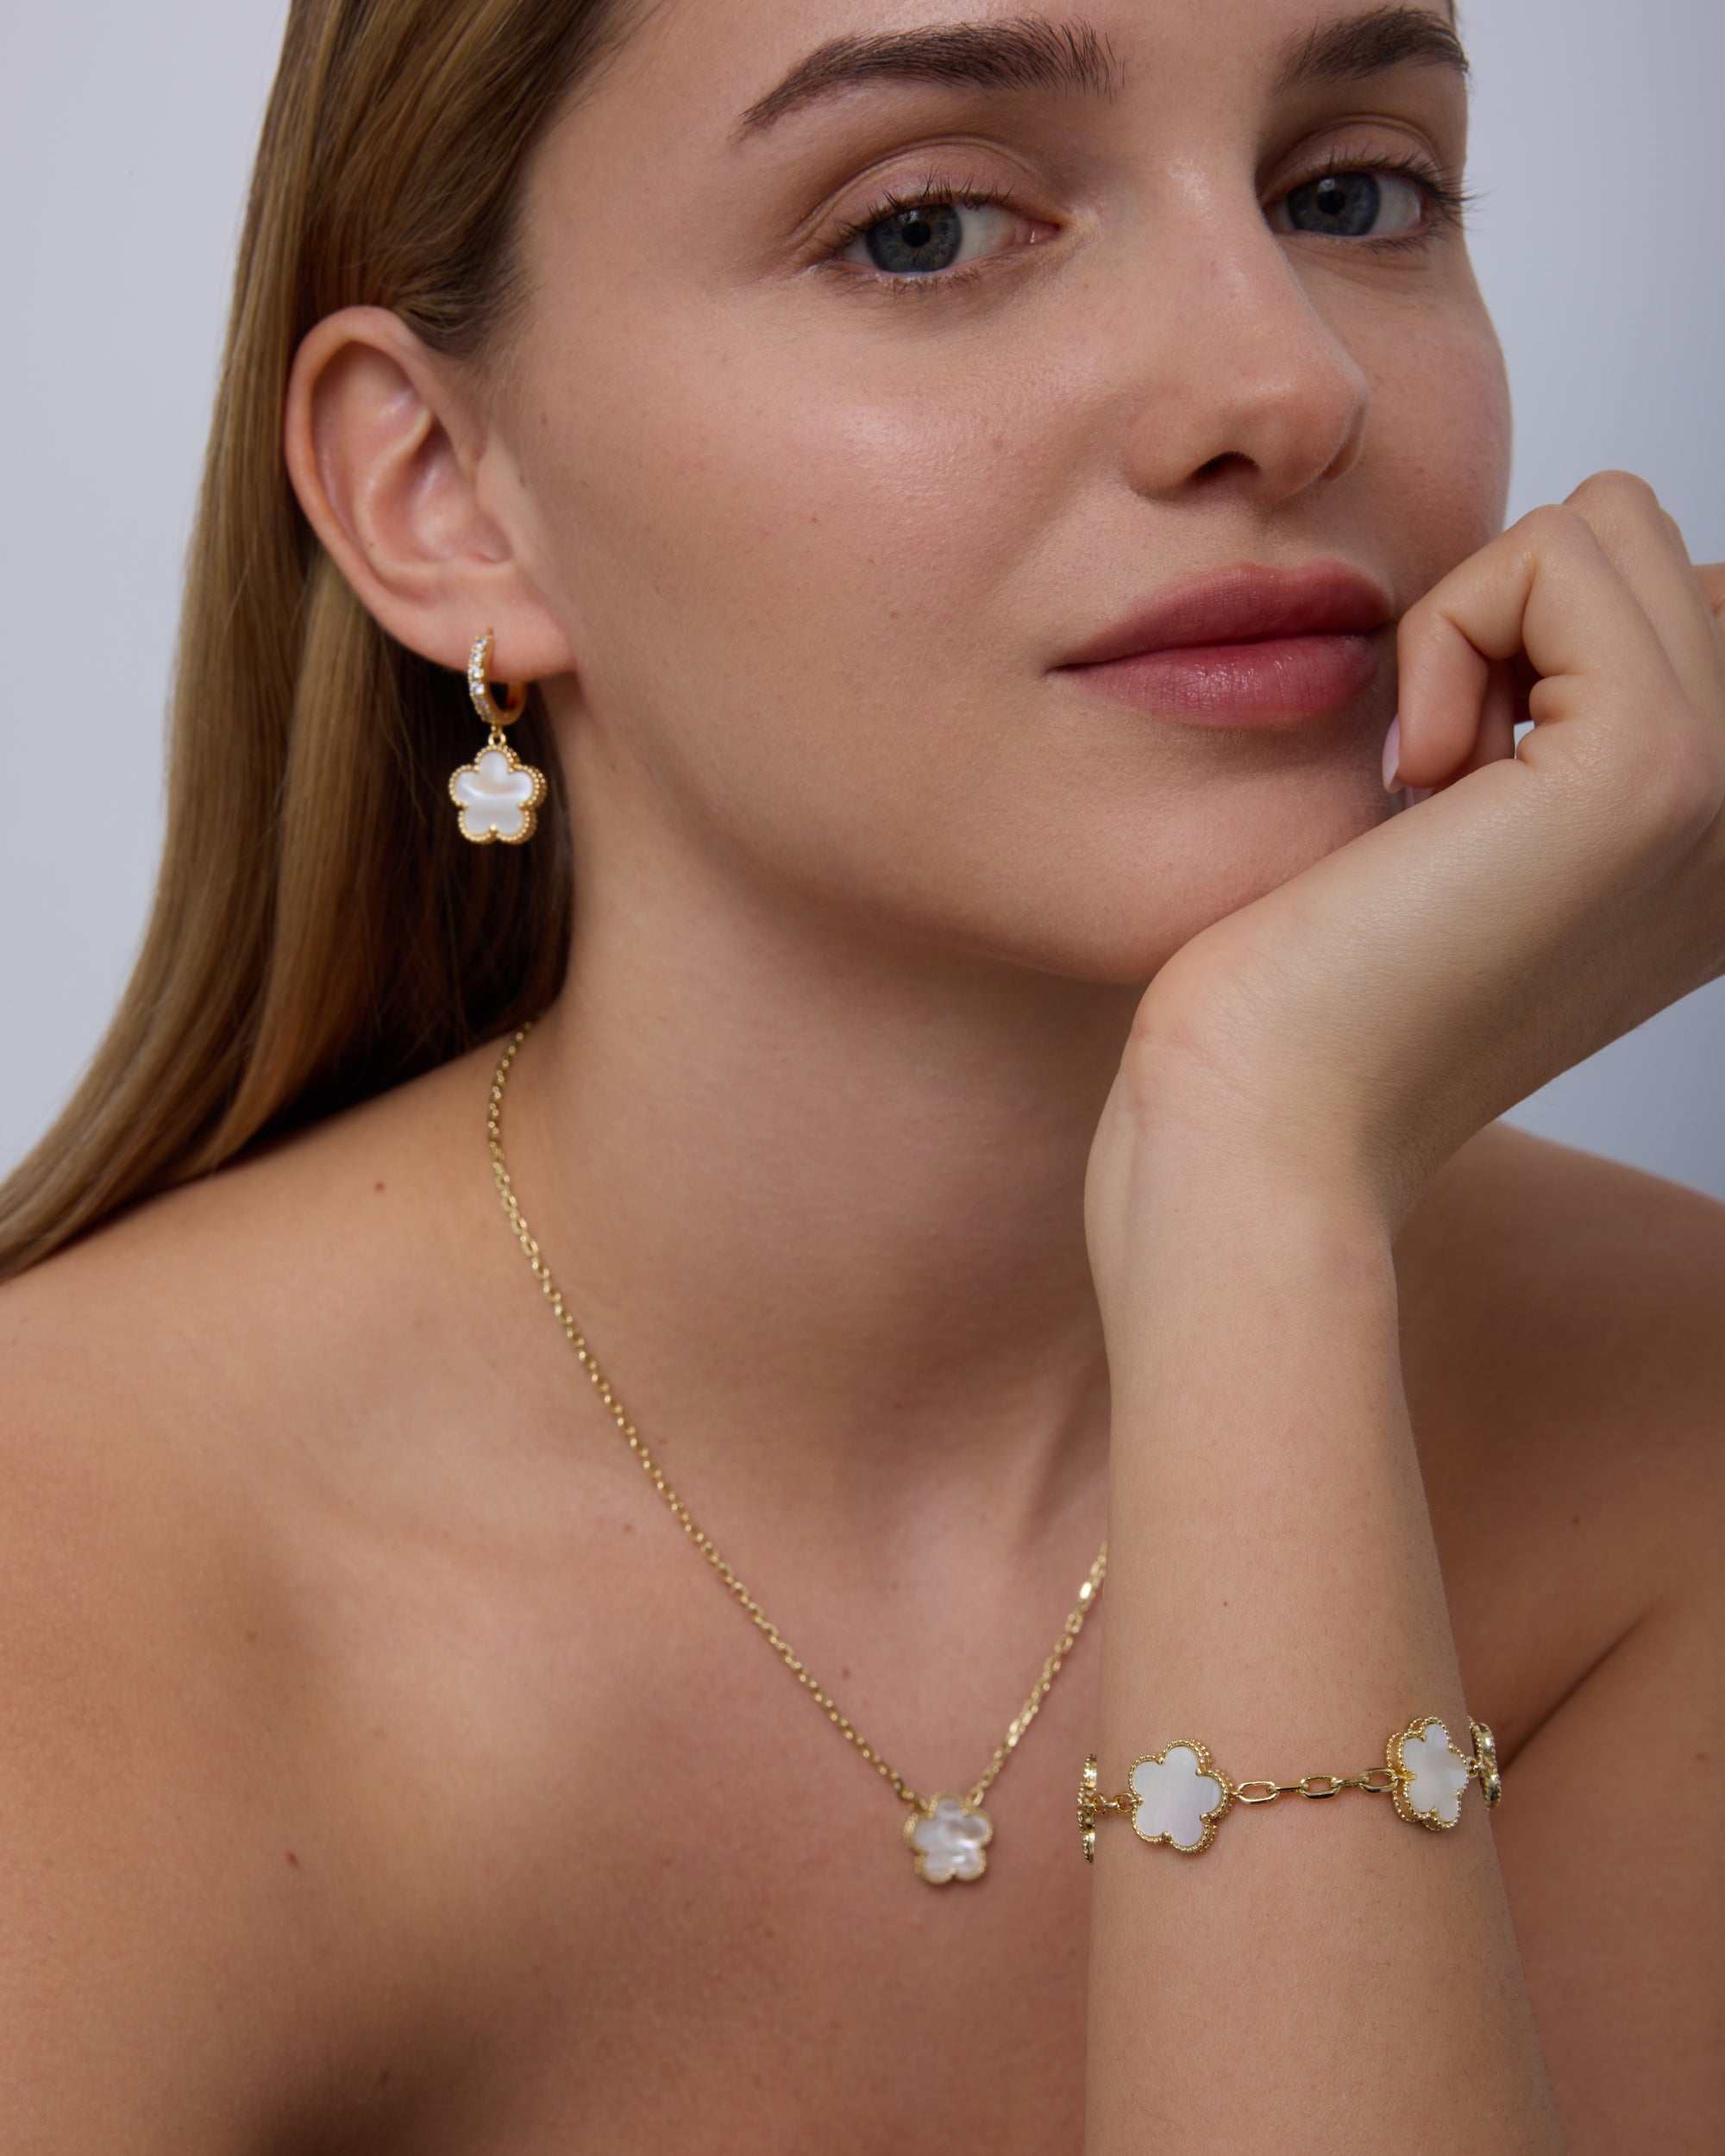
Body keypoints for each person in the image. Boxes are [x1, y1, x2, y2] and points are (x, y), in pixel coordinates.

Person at [2, 0, 1720, 2147]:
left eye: (1353, 192)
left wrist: (1256, 1201)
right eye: (925, 229)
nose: (1289, 387)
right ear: (445, 495)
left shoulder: (1680, 1430)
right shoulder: (63, 1579)